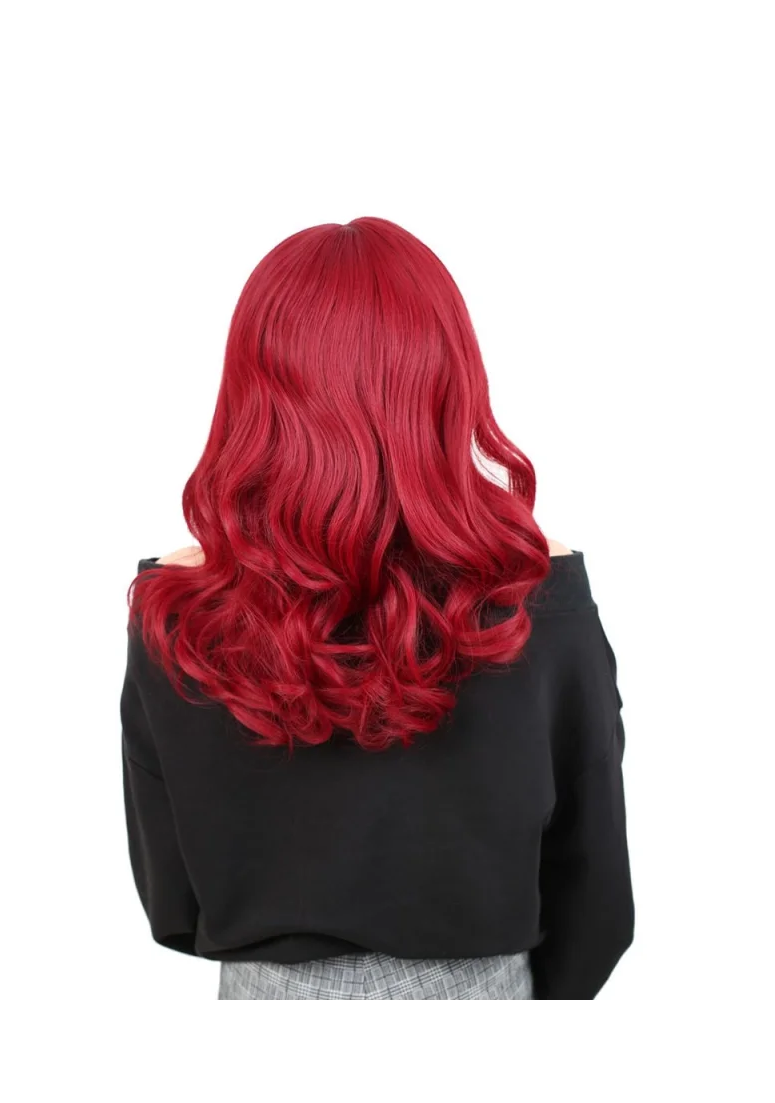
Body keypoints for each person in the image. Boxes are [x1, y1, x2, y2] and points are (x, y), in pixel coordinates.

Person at [120, 216, 634, 1000]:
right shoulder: (534, 589)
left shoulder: (180, 603)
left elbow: (172, 896)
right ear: (445, 373)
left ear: (255, 382)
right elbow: (593, 881)